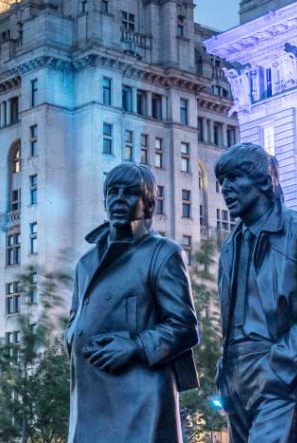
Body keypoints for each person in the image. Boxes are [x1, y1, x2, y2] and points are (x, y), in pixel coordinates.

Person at [215, 143, 297, 443]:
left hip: (277, 366)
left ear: (263, 181)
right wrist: (226, 373)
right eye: (223, 182)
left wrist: (281, 361)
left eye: (234, 179)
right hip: (236, 375)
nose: (226, 189)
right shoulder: (230, 247)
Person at [66, 162, 199, 443]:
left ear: (148, 204)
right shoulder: (86, 263)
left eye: (130, 193)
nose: (119, 199)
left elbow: (185, 326)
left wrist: (135, 345)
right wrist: (74, 338)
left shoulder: (162, 253)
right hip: (90, 395)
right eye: (113, 192)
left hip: (140, 399)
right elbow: (75, 318)